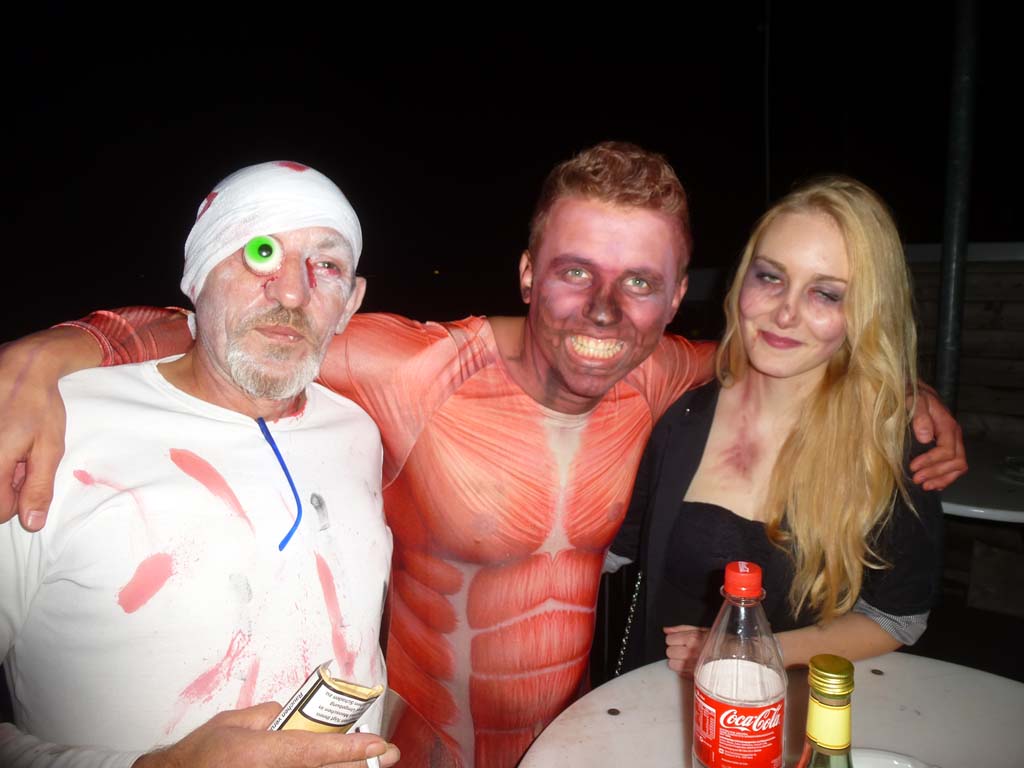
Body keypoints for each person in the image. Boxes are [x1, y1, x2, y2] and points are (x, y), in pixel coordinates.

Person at [0, 144, 965, 768]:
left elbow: (791, 353)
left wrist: (898, 393)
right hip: (416, 752)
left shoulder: (666, 374)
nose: (604, 311)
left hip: (581, 743)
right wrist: (60, 349)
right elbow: (259, 324)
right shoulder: (415, 371)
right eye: (575, 271)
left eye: (639, 283)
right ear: (529, 273)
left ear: (676, 298)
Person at [0, 161, 398, 768]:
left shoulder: (360, 433)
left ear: (351, 303)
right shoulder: (53, 430)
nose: (293, 293)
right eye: (259, 253)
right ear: (197, 276)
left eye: (326, 265)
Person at [610, 176, 945, 677]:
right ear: (741, 279)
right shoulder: (675, 416)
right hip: (654, 698)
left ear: (866, 313)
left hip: (801, 708)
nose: (786, 313)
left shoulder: (888, 446)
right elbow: (610, 551)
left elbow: (898, 618)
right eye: (770, 277)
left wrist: (747, 649)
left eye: (826, 294)